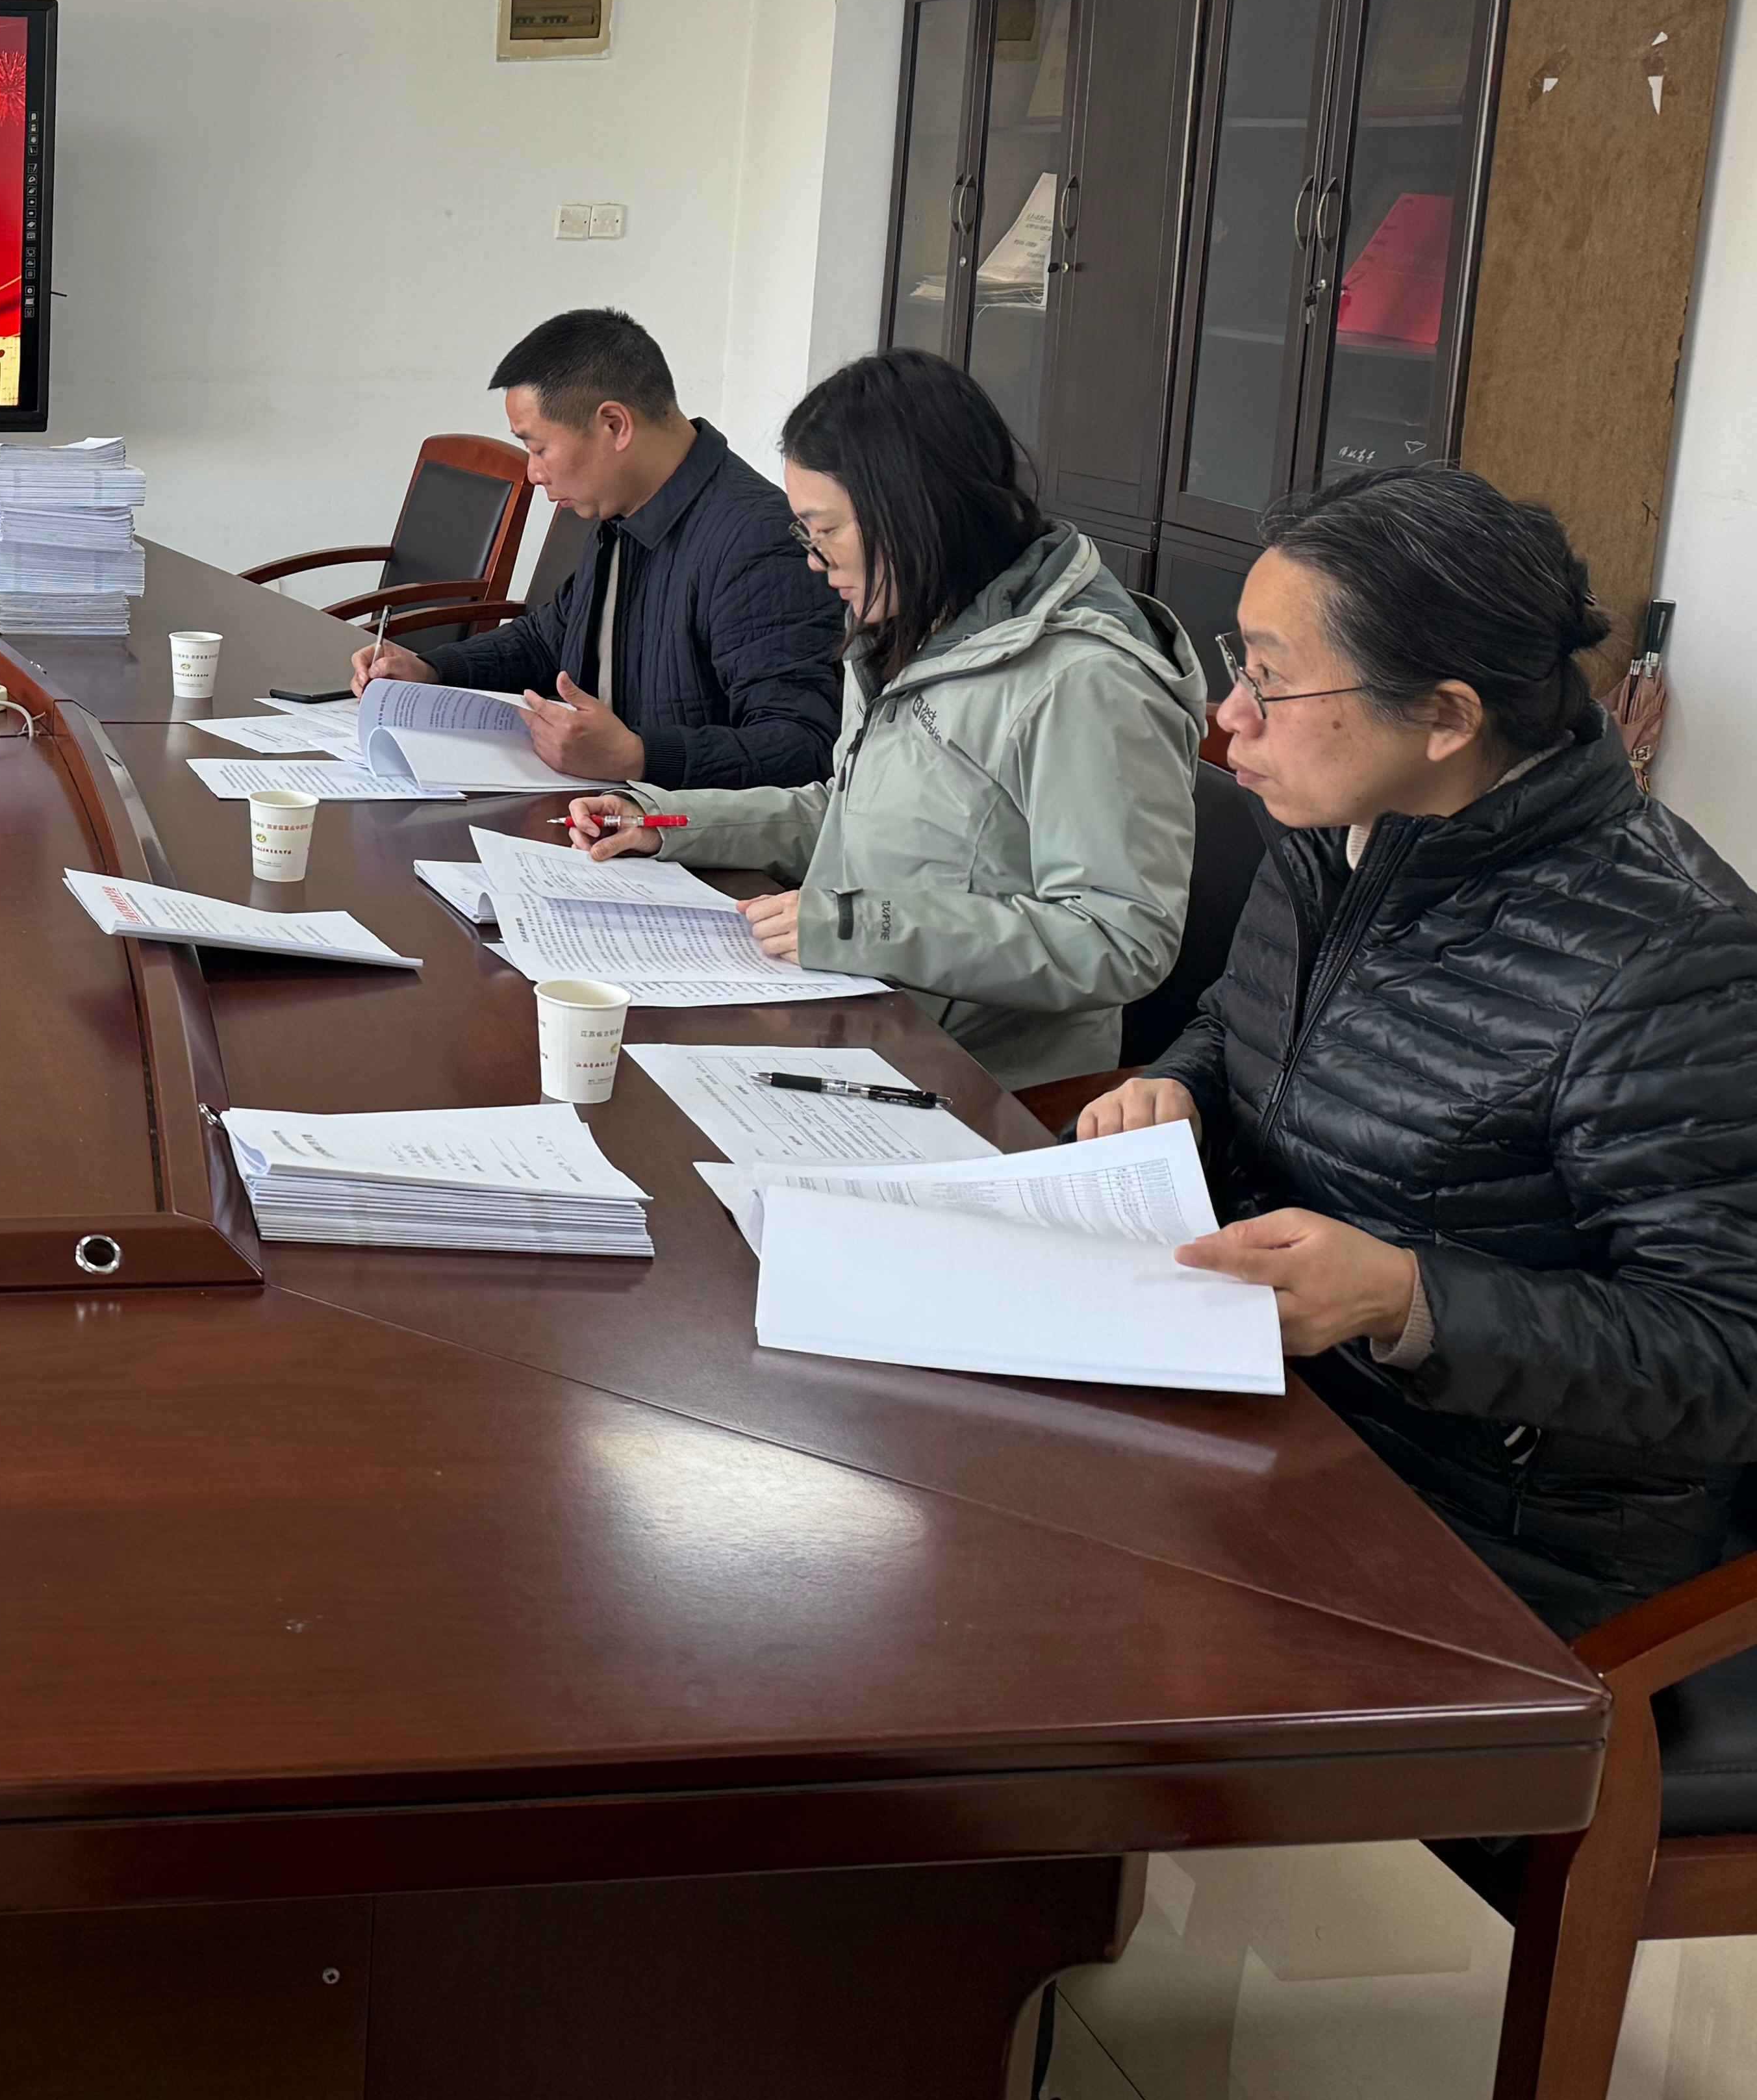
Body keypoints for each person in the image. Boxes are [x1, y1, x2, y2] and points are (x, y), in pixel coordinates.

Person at [1078, 465, 1757, 1639]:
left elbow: (1727, 1354)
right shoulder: (1334, 826)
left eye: (1271, 679)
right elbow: (1249, 1017)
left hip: (1484, 1525)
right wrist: (1176, 1082)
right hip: (1269, 1395)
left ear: (1446, 717)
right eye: (1240, 664)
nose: (1229, 717)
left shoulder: (1675, 960)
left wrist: (1409, 1299)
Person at [565, 350, 1205, 1091]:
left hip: (973, 1083)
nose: (814, 561)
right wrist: (665, 821)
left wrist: (862, 927)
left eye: (825, 531)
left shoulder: (1085, 681)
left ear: (912, 509)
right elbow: (846, 813)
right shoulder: (912, 621)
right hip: (852, 1014)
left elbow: (1120, 938)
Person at [356, 308, 842, 790]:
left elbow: (805, 746)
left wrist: (639, 756)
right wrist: (434, 669)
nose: (533, 473)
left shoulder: (757, 541)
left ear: (614, 425)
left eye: (539, 448)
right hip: (595, 807)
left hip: (680, 829)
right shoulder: (623, 508)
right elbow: (552, 637)